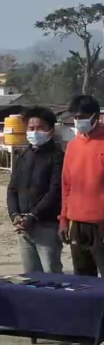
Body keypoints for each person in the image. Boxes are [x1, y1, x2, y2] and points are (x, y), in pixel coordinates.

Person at [60, 95, 104, 278]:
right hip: (76, 223)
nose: (79, 121)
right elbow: (66, 185)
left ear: (96, 116)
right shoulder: (72, 146)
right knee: (82, 279)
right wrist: (63, 219)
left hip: (102, 225)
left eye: (83, 116)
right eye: (76, 117)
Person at [7, 107, 65, 273]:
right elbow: (12, 188)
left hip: (46, 226)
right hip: (23, 228)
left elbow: (55, 191)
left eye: (40, 128)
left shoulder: (57, 157)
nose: (35, 132)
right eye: (31, 129)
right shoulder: (23, 155)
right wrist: (14, 214)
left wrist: (33, 216)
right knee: (31, 278)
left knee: (52, 275)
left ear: (50, 131)